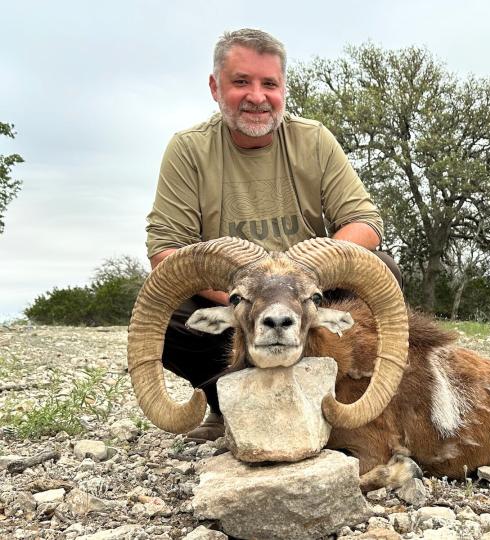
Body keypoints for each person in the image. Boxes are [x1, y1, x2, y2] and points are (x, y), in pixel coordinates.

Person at [145, 28, 401, 441]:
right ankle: (226, 403)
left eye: (269, 84)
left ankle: (345, 396)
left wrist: (303, 280)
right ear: (215, 86)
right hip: (237, 298)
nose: (257, 97)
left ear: (284, 87)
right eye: (241, 82)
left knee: (382, 268)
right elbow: (164, 252)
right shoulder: (188, 149)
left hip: (307, 295)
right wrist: (249, 296)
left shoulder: (312, 139)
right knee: (169, 316)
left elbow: (365, 223)